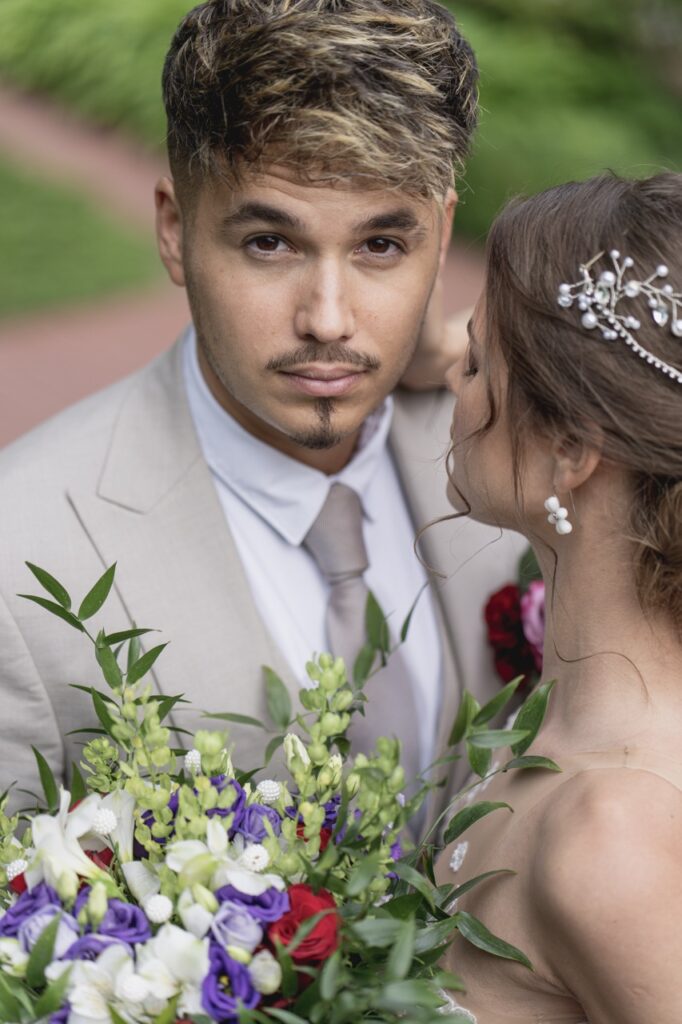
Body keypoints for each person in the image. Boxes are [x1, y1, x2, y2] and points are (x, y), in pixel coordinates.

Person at [0, 0, 524, 816]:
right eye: (269, 243)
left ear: (442, 229)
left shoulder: (523, 461)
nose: (328, 318)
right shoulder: (17, 554)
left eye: (382, 245)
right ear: (174, 231)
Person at [436, 171, 682, 1022]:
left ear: (571, 447)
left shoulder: (613, 834)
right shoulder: (558, 720)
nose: (454, 386)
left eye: (474, 361)